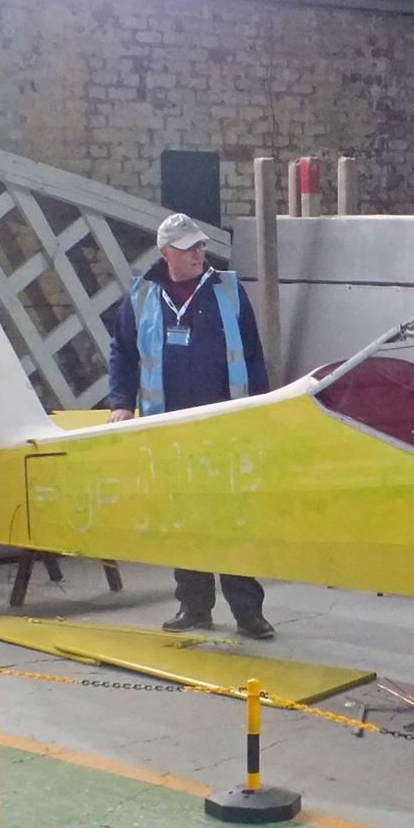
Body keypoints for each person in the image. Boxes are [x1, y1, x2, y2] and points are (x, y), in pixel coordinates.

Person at [107, 213, 276, 641]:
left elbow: (253, 354)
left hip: (225, 425)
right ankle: (194, 606)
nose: (200, 253)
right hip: (170, 428)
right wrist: (122, 403)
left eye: (201, 246)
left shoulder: (227, 289)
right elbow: (122, 352)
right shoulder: (142, 295)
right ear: (166, 254)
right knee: (183, 518)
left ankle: (248, 612)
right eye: (189, 248)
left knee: (232, 518)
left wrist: (261, 412)